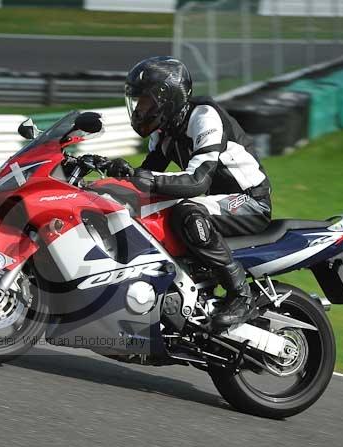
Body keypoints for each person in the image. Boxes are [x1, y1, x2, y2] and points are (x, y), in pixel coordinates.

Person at [105, 56, 272, 330]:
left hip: (249, 201)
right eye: (137, 102)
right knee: (141, 208)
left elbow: (198, 181)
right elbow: (144, 175)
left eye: (145, 101)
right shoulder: (165, 130)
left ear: (166, 99)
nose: (139, 109)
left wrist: (144, 179)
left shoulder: (204, 117)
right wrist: (112, 174)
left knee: (188, 212)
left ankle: (241, 295)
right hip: (214, 201)